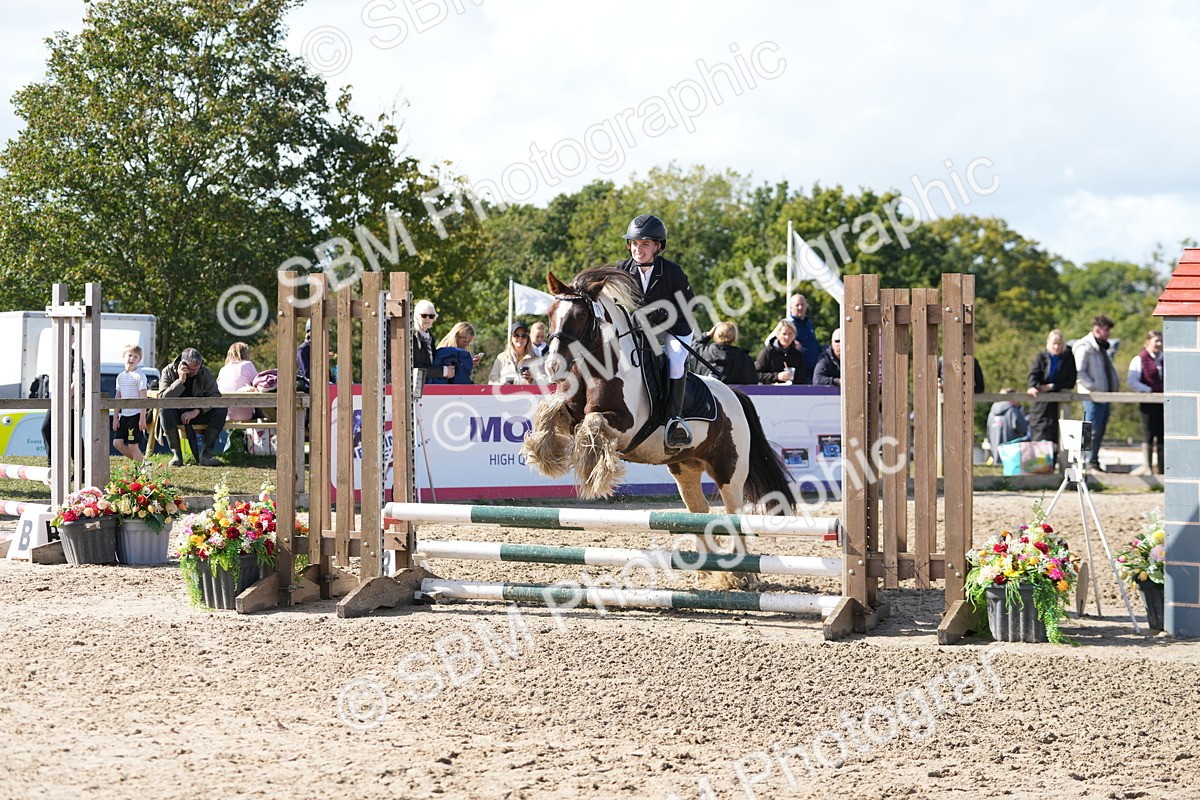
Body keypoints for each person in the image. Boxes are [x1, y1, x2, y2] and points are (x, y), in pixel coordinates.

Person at [618, 213, 696, 448]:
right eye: (634, 243)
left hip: (674, 328)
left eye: (645, 244)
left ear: (657, 246)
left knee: (674, 361)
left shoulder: (672, 272)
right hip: (639, 329)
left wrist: (665, 315)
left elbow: (688, 305)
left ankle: (674, 419)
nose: (638, 249)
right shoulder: (622, 270)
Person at [159, 348, 227, 467]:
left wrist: (197, 411)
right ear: (183, 364)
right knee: (164, 410)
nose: (195, 373)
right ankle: (177, 456)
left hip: (197, 412)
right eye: (191, 370)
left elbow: (215, 396)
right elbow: (163, 398)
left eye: (197, 369)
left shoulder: (204, 371)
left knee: (221, 409)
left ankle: (206, 455)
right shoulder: (168, 371)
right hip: (176, 414)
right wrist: (180, 381)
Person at [1073, 314, 1119, 471]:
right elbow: (1079, 372)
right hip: (1091, 397)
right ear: (1097, 329)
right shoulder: (1085, 346)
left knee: (1099, 430)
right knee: (1089, 430)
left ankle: (1093, 461)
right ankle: (1085, 463)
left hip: (1103, 397)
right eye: (1106, 330)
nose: (1109, 334)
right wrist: (1093, 387)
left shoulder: (1102, 347)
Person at [1026, 329, 1077, 461]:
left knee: (1057, 435)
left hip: (1058, 402)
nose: (1057, 347)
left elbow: (1071, 381)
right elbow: (1033, 374)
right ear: (1048, 343)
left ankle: (1053, 466)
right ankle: (1039, 467)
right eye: (1054, 344)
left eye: (1059, 344)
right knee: (1040, 434)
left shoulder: (1068, 358)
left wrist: (1053, 386)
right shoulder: (1041, 357)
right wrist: (1033, 387)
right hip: (1041, 405)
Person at [1128, 329, 1164, 475]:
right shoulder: (1139, 359)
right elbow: (1132, 381)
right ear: (1148, 342)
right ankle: (1148, 468)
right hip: (1148, 402)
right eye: (1156, 341)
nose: (1159, 344)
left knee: (1162, 434)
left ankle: (1162, 469)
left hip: (1163, 402)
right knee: (1148, 434)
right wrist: (1148, 389)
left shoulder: (1164, 358)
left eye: (1160, 341)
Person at [112, 344, 148, 462]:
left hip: (135, 415)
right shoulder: (120, 377)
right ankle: (143, 464)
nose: (132, 359)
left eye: (135, 357)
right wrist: (115, 418)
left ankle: (143, 471)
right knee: (117, 443)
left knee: (133, 446)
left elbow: (143, 398)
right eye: (129, 355)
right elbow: (118, 397)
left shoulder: (140, 376)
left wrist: (142, 418)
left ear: (139, 360)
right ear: (123, 357)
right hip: (124, 416)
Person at [691, 321, 757, 385]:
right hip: (731, 395)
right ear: (734, 337)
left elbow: (692, 346)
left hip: (704, 394)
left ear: (715, 335)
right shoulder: (743, 358)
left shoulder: (702, 352)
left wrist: (707, 335)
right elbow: (751, 382)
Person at [413, 299, 454, 383]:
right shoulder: (412, 337)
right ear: (416, 316)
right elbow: (416, 367)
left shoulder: (430, 338)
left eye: (431, 316)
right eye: (424, 315)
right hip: (415, 387)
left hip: (428, 385)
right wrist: (444, 371)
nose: (427, 319)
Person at [755, 319, 805, 385]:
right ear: (777, 335)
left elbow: (801, 377)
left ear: (794, 336)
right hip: (769, 392)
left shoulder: (797, 354)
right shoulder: (768, 352)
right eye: (784, 334)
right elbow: (755, 374)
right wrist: (777, 376)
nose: (787, 337)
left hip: (791, 392)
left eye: (790, 334)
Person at [218, 342, 259, 422]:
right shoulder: (248, 365)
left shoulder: (223, 369)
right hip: (246, 415)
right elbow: (259, 384)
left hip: (226, 415)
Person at [987, 388, 1029, 463]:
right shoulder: (1013, 411)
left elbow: (988, 433)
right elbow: (1023, 429)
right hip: (1012, 458)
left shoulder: (992, 412)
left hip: (995, 454)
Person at [787, 293, 821, 384]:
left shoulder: (808, 323)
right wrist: (791, 342)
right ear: (790, 308)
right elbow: (770, 341)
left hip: (814, 370)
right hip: (800, 372)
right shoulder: (788, 324)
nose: (800, 307)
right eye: (797, 305)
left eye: (802, 305)